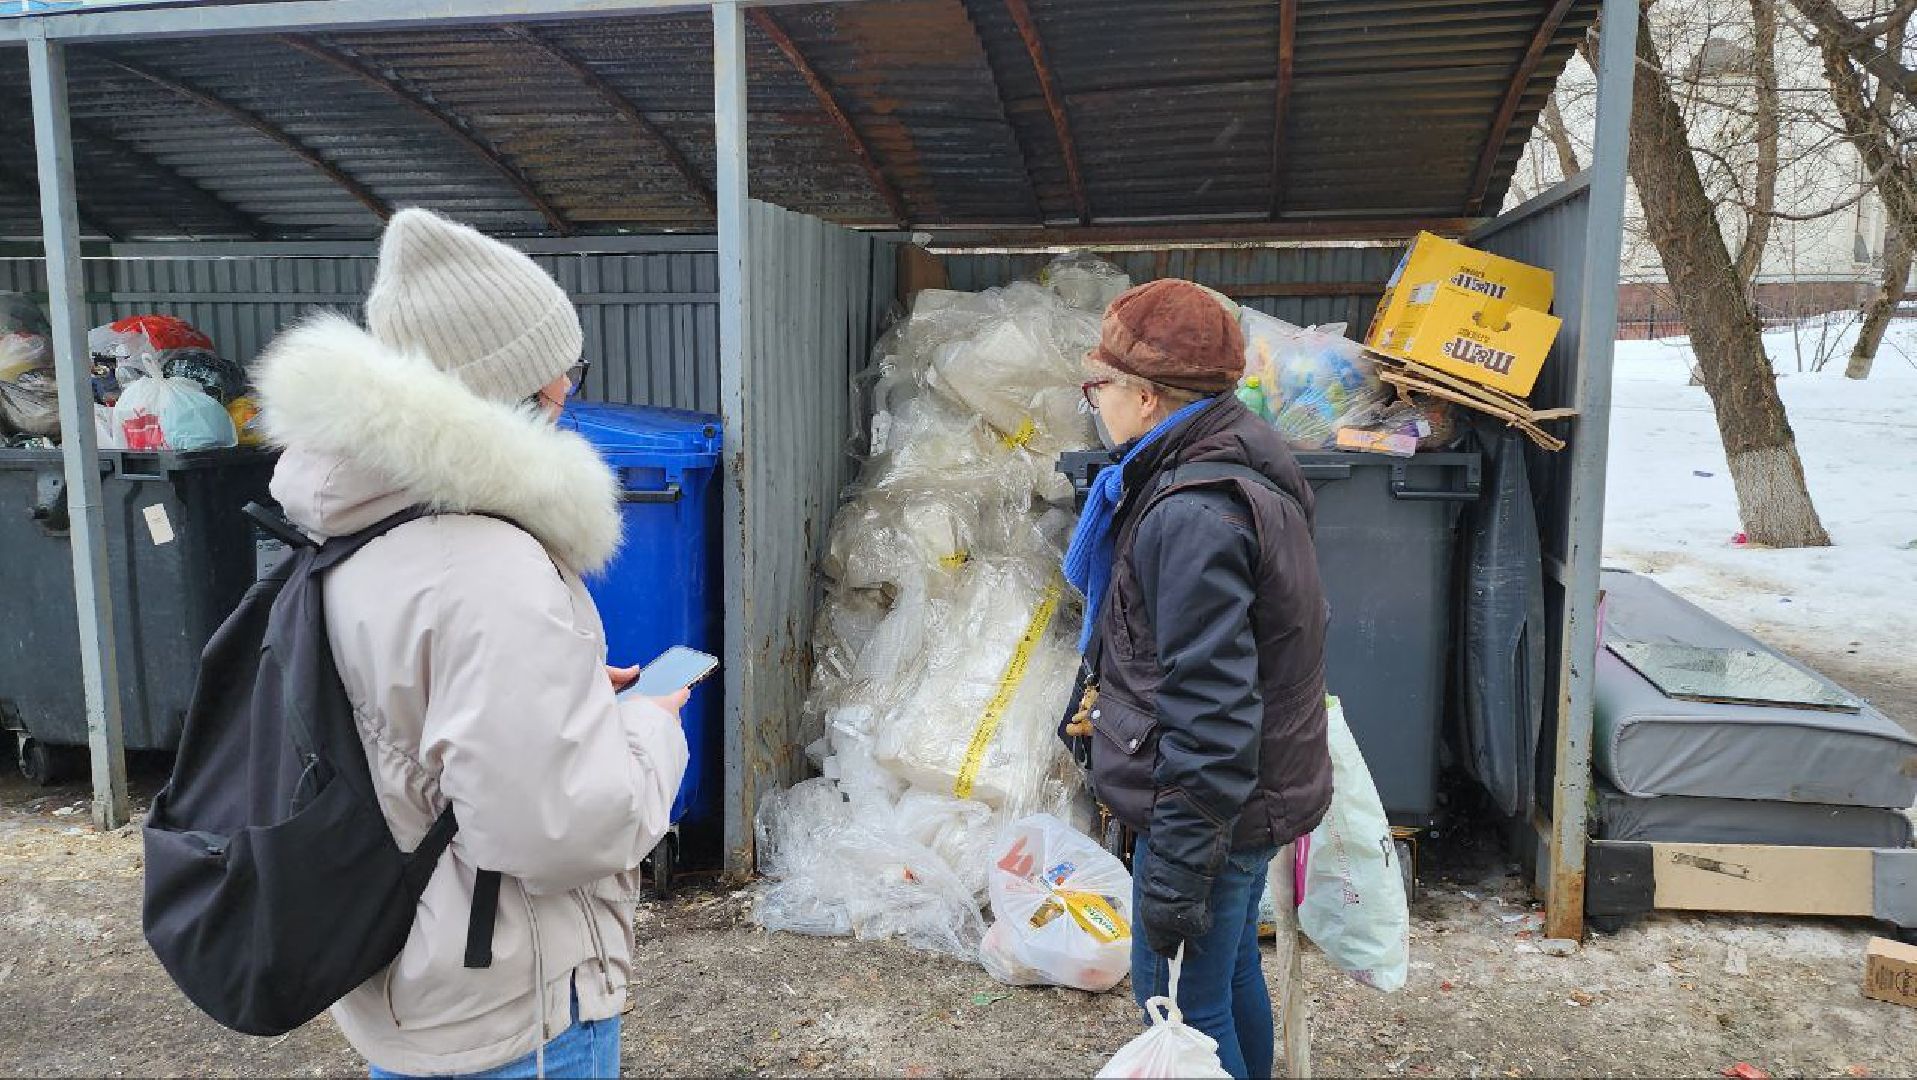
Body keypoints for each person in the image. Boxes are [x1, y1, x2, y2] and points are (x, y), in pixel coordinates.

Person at [254, 208, 690, 1079]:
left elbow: (416, 719)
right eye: (562, 373)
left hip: (415, 971)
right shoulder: (484, 564)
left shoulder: (356, 523)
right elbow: (559, 830)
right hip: (510, 1006)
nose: (568, 389)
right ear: (512, 391)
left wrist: (562, 694)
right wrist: (648, 726)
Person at [1061, 279, 1333, 1080]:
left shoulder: (1191, 512)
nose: (1095, 402)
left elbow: (1209, 708)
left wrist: (1178, 865)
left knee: (1178, 1001)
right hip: (1243, 796)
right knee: (1227, 972)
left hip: (1208, 808)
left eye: (1100, 385)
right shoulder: (1234, 459)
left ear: (1146, 398)